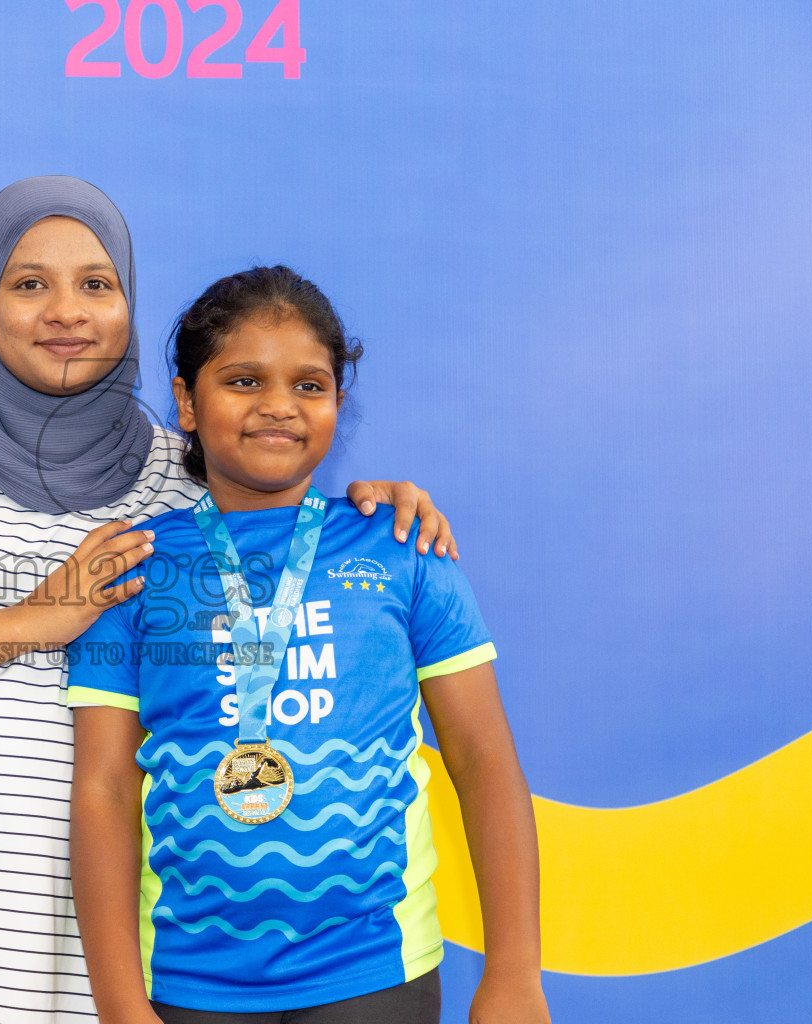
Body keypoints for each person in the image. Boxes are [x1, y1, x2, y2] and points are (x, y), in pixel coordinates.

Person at [0, 177, 458, 1024]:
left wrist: (374, 504)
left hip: (82, 975)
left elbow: (281, 496)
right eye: (29, 284)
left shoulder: (175, 476)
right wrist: (22, 624)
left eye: (97, 284)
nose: (67, 311)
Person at [67, 266, 549, 1024]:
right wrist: (120, 1006)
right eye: (244, 380)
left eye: (310, 386)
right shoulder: (129, 571)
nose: (278, 408)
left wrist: (516, 973)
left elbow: (484, 760)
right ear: (187, 402)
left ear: (338, 404)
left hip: (375, 970)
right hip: (186, 983)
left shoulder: (404, 547)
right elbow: (101, 791)